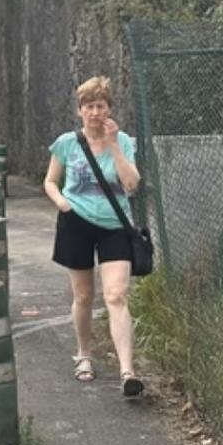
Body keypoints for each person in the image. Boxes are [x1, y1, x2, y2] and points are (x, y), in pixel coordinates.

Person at [43, 75, 144, 397]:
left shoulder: (124, 141)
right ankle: (84, 354)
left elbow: (131, 185)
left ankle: (127, 371)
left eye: (101, 106)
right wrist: (63, 204)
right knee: (84, 296)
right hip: (77, 223)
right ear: (80, 110)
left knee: (116, 295)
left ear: (109, 109)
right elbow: (50, 181)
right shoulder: (67, 143)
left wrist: (114, 145)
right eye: (89, 106)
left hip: (115, 224)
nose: (95, 112)